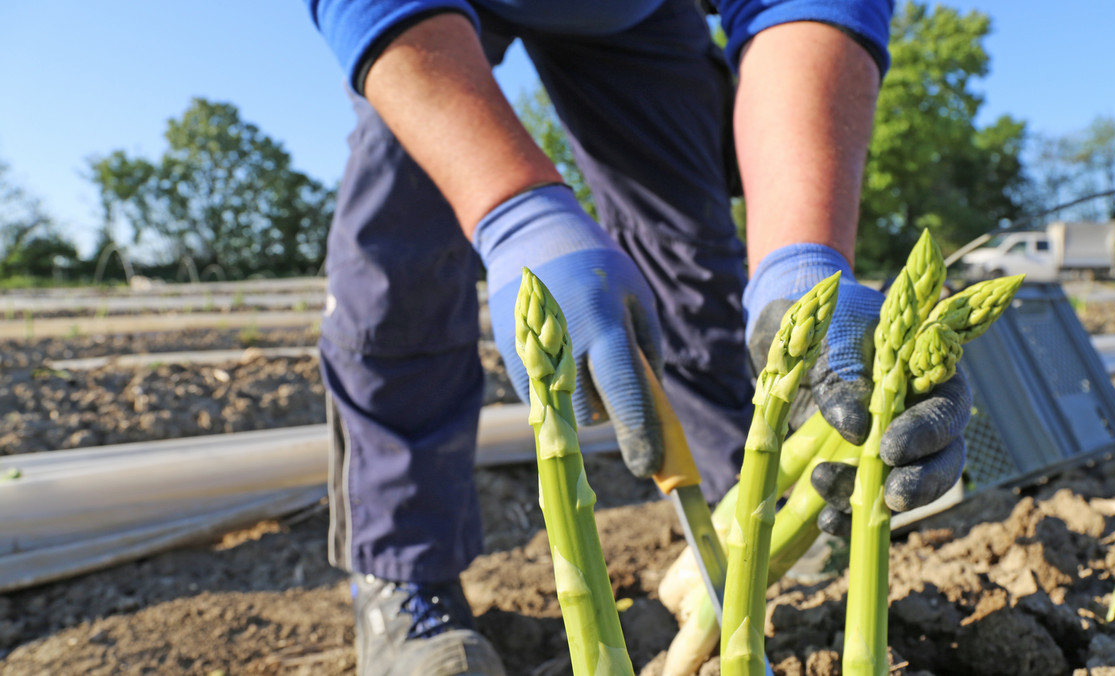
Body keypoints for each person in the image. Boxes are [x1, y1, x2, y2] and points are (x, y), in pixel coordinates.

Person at [305, 1, 972, 673]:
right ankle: (405, 576)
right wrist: (515, 211)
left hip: (637, 14)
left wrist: (802, 262)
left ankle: (742, 520)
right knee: (400, 242)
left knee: (686, 253)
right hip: (426, 15)